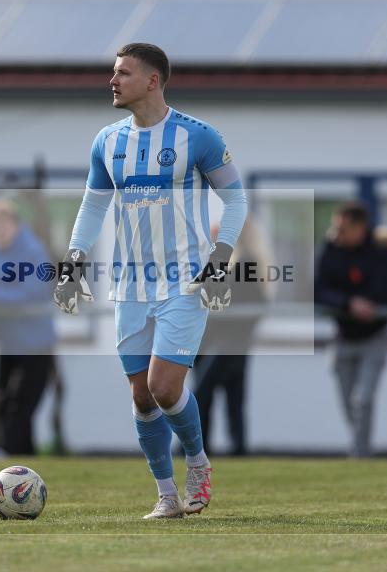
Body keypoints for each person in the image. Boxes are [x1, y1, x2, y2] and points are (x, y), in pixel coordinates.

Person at [53, 43, 248, 518]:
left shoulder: (197, 137)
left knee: (164, 386)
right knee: (141, 396)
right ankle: (166, 495)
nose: (113, 81)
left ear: (153, 80)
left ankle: (198, 462)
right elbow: (94, 205)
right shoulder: (107, 141)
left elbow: (237, 201)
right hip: (131, 285)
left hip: (186, 281)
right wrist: (73, 261)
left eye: (123, 73)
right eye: (113, 72)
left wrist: (220, 260)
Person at [0, 198, 57, 455]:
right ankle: (24, 465)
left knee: (20, 404)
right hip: (7, 342)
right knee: (4, 402)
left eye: (3, 225)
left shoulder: (34, 250)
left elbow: (35, 292)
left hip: (36, 344)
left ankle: (8, 457)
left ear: (17, 226)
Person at [315, 201, 387, 458]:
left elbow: (383, 291)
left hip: (374, 337)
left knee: (364, 400)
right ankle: (361, 450)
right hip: (343, 336)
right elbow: (319, 291)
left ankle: (360, 455)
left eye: (343, 229)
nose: (337, 234)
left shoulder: (381, 251)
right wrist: (349, 303)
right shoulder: (330, 250)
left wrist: (364, 303)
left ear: (360, 228)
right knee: (350, 404)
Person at [192, 219, 269, 456]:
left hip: (229, 343)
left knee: (203, 393)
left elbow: (254, 304)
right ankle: (230, 447)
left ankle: (205, 446)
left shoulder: (245, 263)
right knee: (229, 396)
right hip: (206, 343)